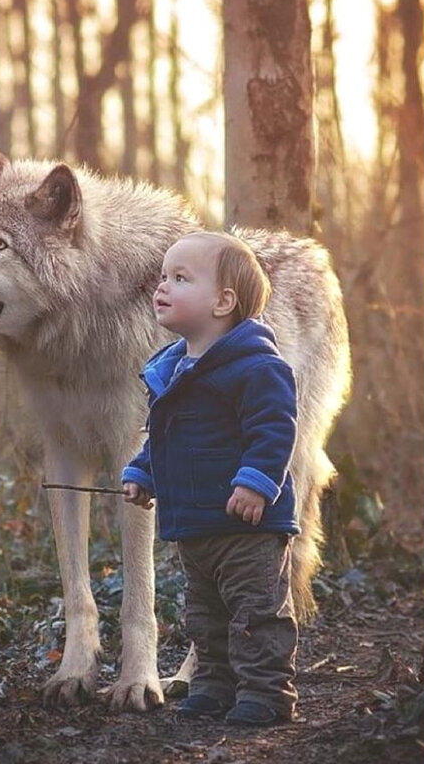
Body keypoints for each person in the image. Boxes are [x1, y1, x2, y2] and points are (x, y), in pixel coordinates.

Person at [121, 231, 299, 726]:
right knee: (205, 616)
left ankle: (267, 692)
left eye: (180, 278)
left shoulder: (258, 367)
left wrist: (257, 483)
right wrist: (143, 473)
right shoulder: (172, 370)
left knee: (255, 614)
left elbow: (274, 430)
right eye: (162, 276)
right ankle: (215, 684)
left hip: (249, 527)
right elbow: (167, 437)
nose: (162, 287)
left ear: (223, 302)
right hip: (195, 525)